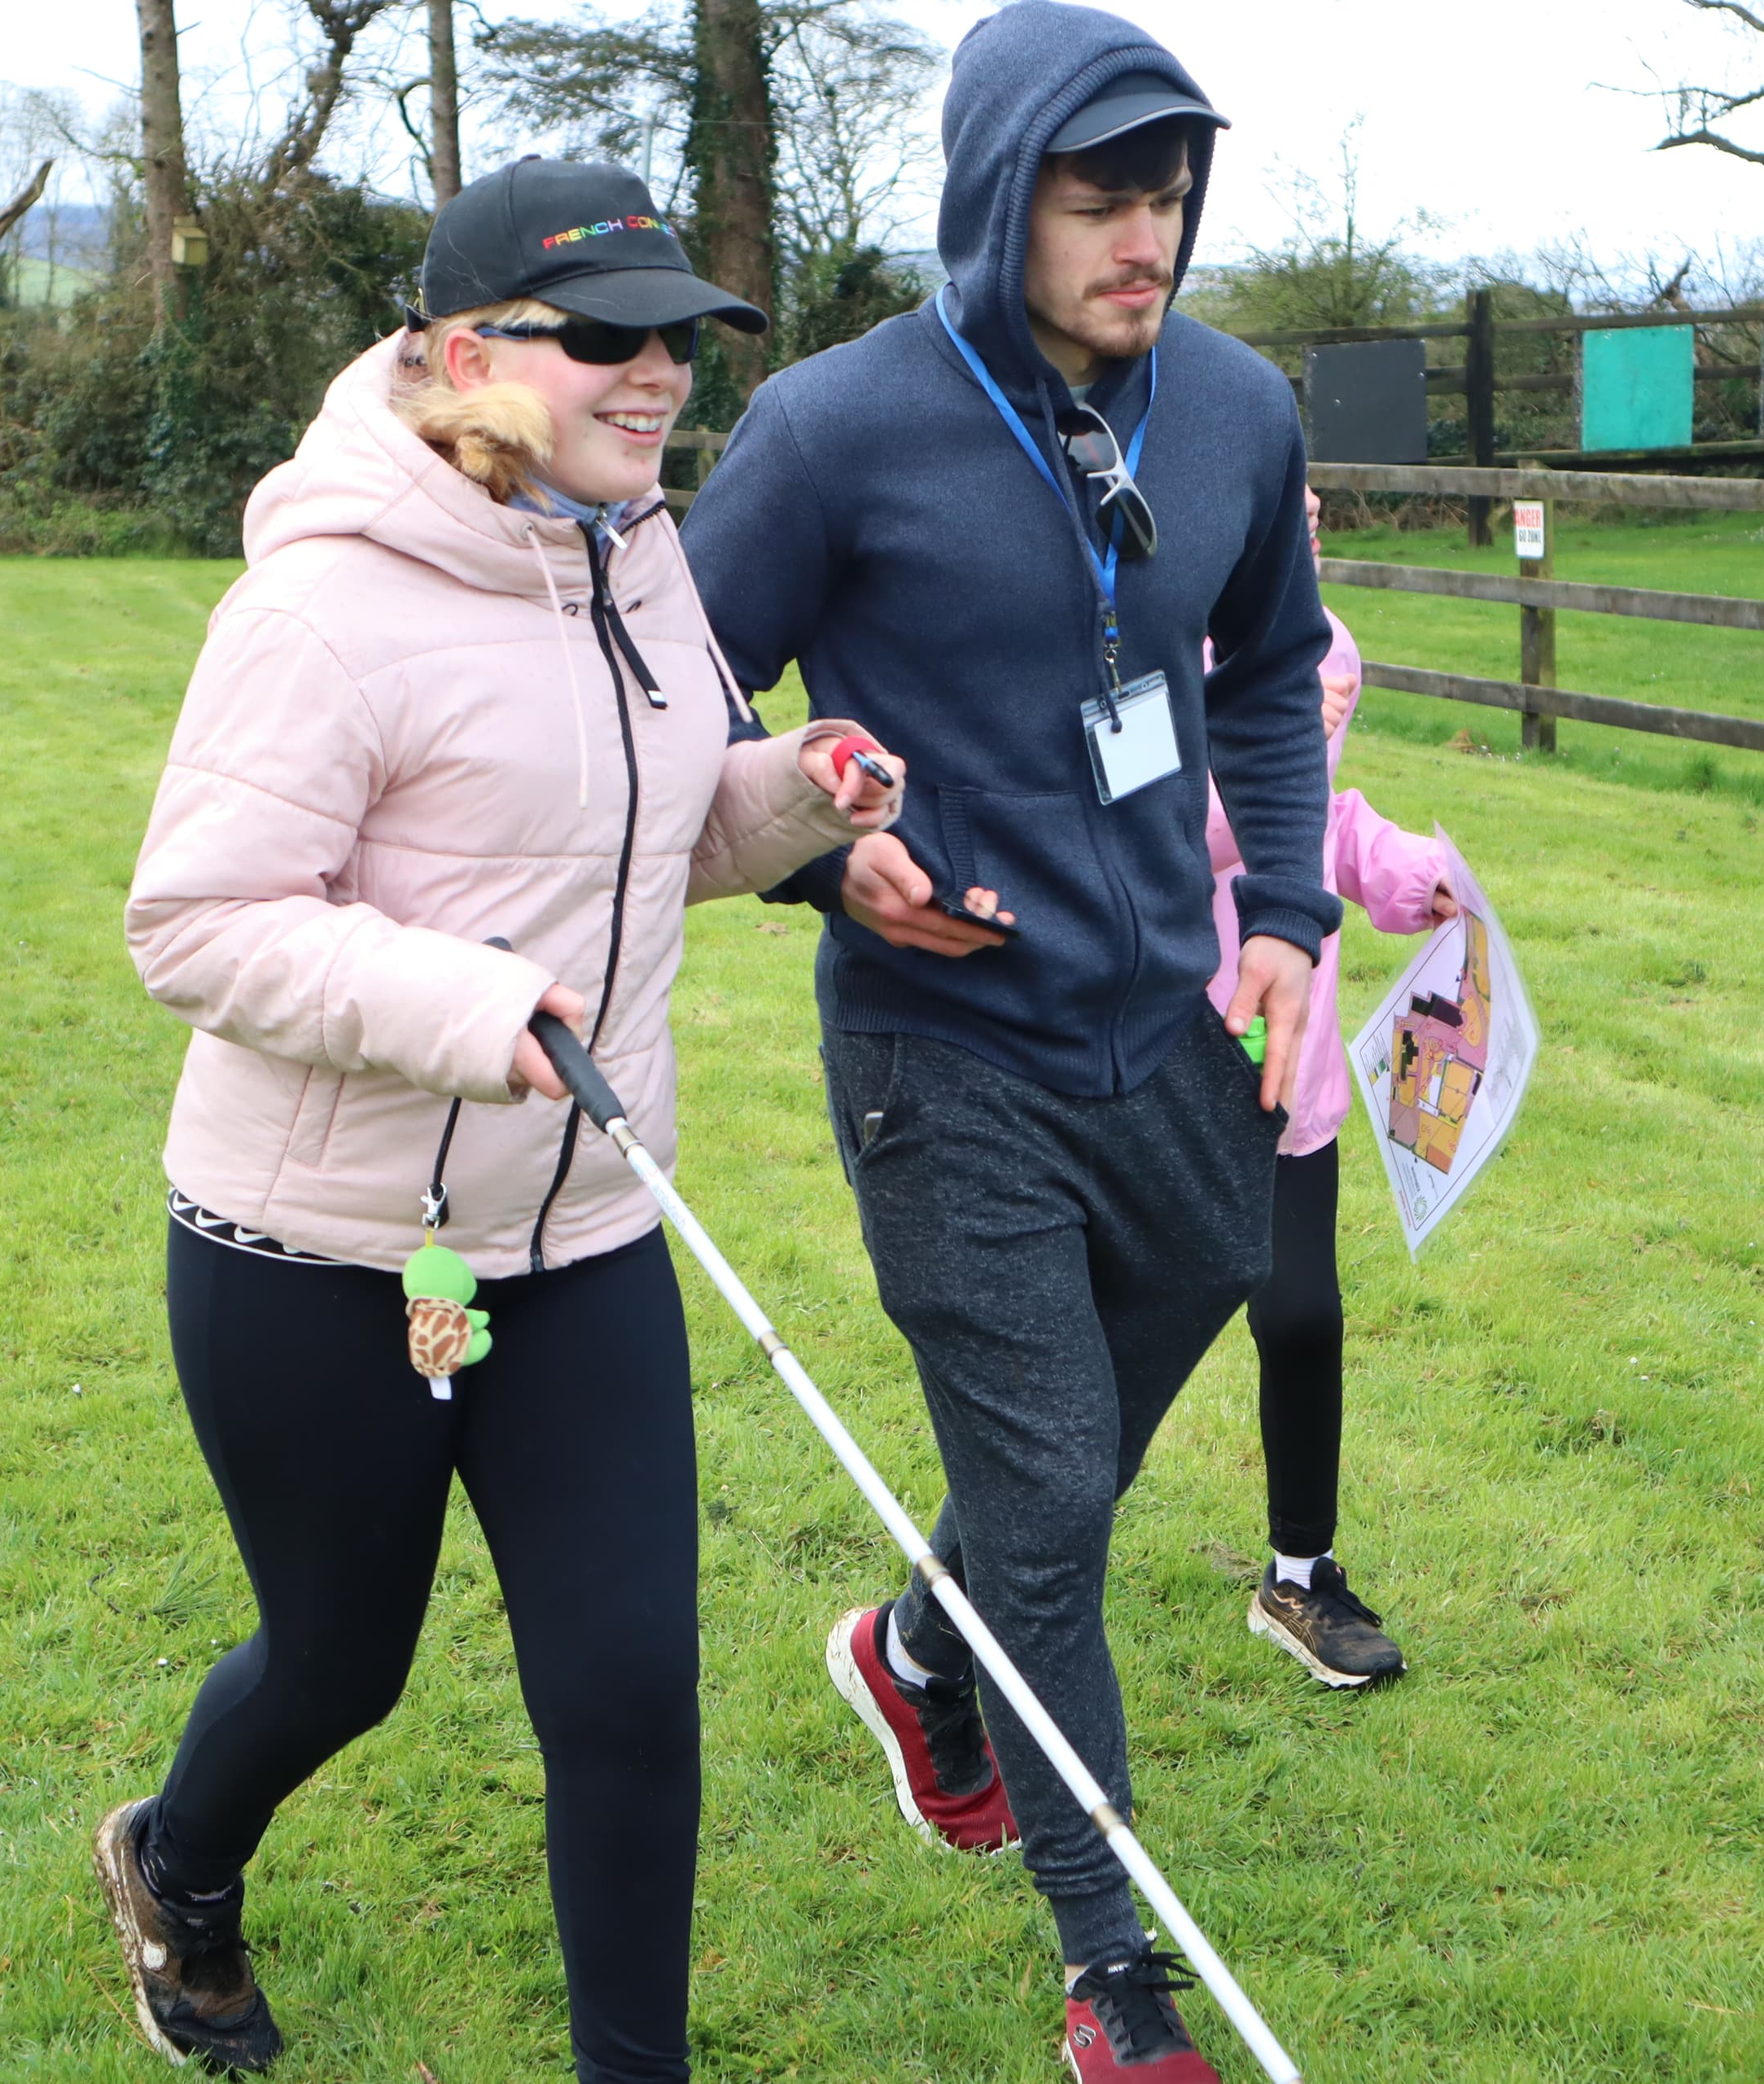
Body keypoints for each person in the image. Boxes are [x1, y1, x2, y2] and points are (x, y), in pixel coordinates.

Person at [97, 159, 904, 2081]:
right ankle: (177, 1860)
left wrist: (804, 786)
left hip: (583, 1233)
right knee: (340, 1662)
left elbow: (666, 827)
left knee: (631, 1693)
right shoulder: (325, 600)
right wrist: (473, 1004)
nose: (655, 378)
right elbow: (193, 922)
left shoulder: (642, 553)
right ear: (465, 354)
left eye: (679, 343)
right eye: (602, 338)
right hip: (329, 1255)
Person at [680, 8, 1337, 2077]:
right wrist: (816, 866)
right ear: (995, 197)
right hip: (939, 1042)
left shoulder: (1236, 409)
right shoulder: (832, 426)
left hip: (1169, 1021)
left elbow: (1269, 669)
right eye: (1098, 199)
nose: (1145, 240)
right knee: (1047, 1489)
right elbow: (680, 702)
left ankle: (910, 1643)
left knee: (1212, 1285)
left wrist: (1295, 915)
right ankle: (1113, 1969)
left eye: (1168, 199)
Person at [1206, 491, 1460, 1689]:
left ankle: (1299, 1579)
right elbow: (1149, 824)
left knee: (1303, 1315)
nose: (1300, 512)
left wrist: (1411, 875)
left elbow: (1316, 824)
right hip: (1153, 1060)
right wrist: (1252, 745)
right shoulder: (1132, 642)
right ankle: (988, 1595)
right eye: (1271, 497)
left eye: (1304, 495)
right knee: (1091, 1355)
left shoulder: (1330, 653)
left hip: (1289, 1072)